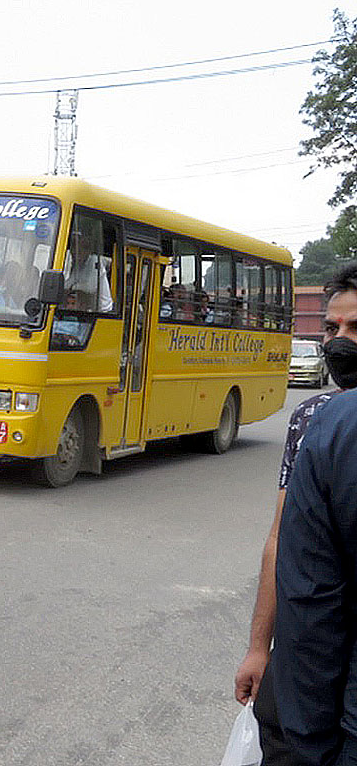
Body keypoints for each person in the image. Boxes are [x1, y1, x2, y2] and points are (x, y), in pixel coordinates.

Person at [235, 265, 357, 765]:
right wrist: (260, 646)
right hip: (311, 669)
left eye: (356, 329)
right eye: (332, 329)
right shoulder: (315, 420)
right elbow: (283, 539)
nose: (340, 343)